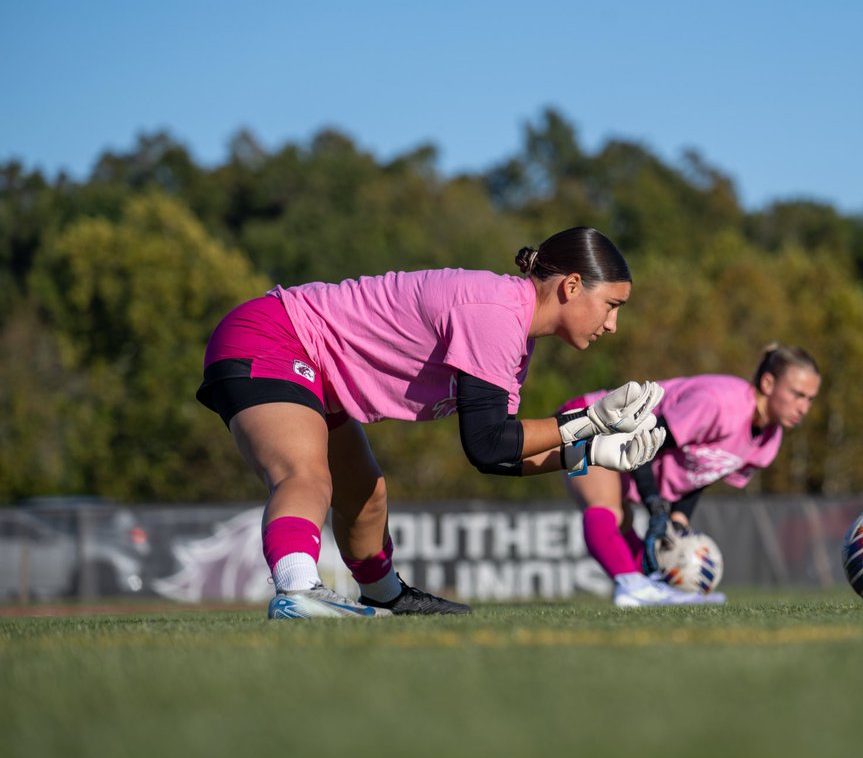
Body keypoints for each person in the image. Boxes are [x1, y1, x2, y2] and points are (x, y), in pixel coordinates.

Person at [196, 227, 667, 619]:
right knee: (305, 474)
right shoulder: (496, 313)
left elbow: (496, 452)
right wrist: (586, 421)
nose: (611, 325)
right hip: (273, 335)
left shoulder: (514, 329)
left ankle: (387, 599)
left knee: (364, 493)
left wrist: (587, 453)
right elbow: (487, 444)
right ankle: (297, 591)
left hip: (313, 361)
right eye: (612, 305)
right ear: (570, 286)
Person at [559, 344, 821, 607]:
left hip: (627, 445)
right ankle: (630, 586)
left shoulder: (769, 441)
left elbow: (703, 472)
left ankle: (646, 585)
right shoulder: (718, 404)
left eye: (810, 399)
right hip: (592, 421)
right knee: (608, 508)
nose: (804, 408)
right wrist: (654, 503)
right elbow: (643, 439)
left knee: (623, 521)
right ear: (767, 383)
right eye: (797, 394)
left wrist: (678, 518)